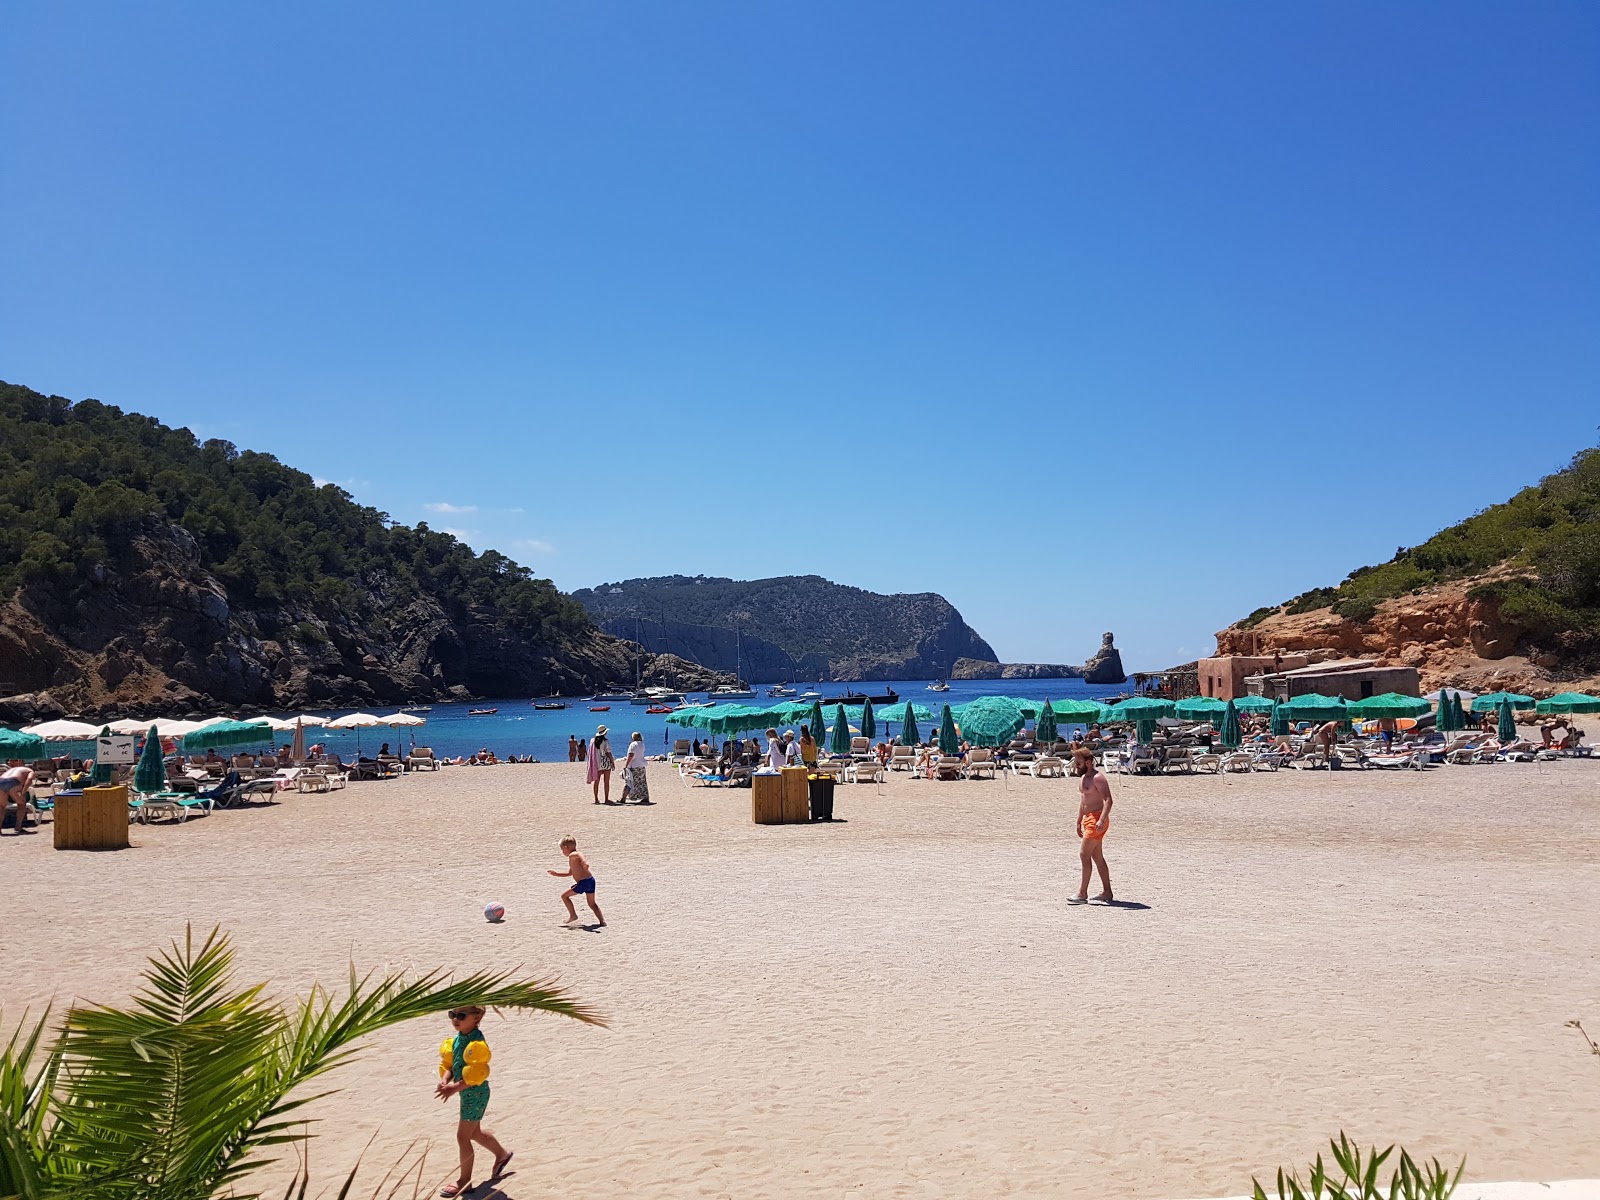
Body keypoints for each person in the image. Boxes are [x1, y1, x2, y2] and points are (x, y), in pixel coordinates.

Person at [434, 1004, 513, 1197]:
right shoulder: (457, 1039)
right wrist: (445, 1080)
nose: (455, 1019)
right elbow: (450, 1065)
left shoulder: (477, 1043)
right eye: (452, 1014)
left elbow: (476, 1074)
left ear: (476, 1018)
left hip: (475, 1093)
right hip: (465, 1092)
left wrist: (455, 1088)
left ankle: (464, 1181)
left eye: (461, 1015)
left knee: (463, 1136)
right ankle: (502, 1155)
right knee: (474, 1132)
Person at [1069, 747, 1113, 904]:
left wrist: (1102, 819)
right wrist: (1079, 820)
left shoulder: (1098, 778)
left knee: (1084, 854)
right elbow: (1083, 801)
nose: (1076, 765)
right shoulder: (1082, 778)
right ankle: (1107, 892)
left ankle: (1082, 894)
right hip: (1088, 819)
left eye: (1079, 763)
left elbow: (1108, 800)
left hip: (1096, 820)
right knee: (1097, 856)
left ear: (1088, 762)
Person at [549, 835, 605, 926]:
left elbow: (580, 854)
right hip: (590, 881)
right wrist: (557, 874)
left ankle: (573, 915)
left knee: (564, 896)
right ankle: (602, 921)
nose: (562, 852)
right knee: (592, 903)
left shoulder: (572, 855)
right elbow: (569, 873)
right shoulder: (573, 859)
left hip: (583, 883)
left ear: (566, 848)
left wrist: (584, 862)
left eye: (562, 850)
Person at [1, 766, 36, 834]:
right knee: (22, 804)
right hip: (14, 782)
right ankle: (18, 827)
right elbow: (29, 779)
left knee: (1, 807)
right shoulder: (31, 771)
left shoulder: (13, 769)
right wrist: (23, 793)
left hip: (1, 781)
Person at [620, 731, 651, 805]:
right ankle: (645, 797)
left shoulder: (633, 744)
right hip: (641, 765)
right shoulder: (642, 744)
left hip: (634, 765)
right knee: (642, 782)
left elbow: (631, 755)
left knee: (629, 782)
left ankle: (623, 798)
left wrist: (626, 765)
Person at [587, 726, 615, 804]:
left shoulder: (592, 741)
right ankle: (606, 799)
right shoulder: (605, 741)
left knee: (596, 782)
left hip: (596, 763)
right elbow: (608, 753)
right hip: (605, 763)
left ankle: (596, 799)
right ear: (604, 732)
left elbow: (590, 752)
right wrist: (612, 762)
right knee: (606, 782)